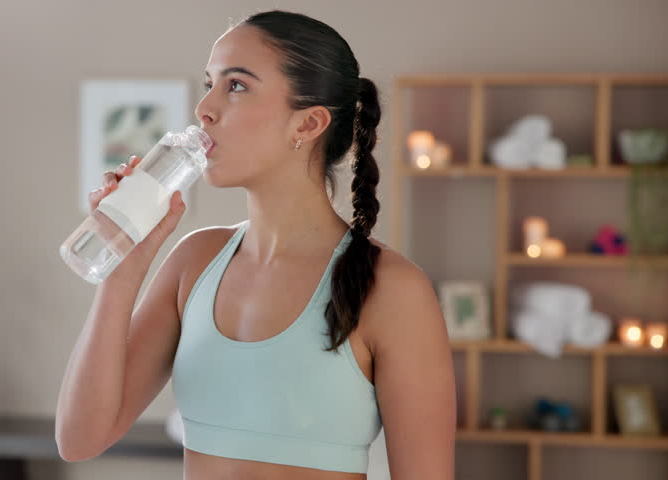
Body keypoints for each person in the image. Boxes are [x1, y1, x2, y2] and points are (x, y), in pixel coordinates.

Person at [56, 10, 455, 480]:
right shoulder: (194, 261)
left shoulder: (391, 289)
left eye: (237, 85)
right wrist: (122, 269)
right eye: (209, 82)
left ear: (307, 125)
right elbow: (79, 440)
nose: (204, 107)